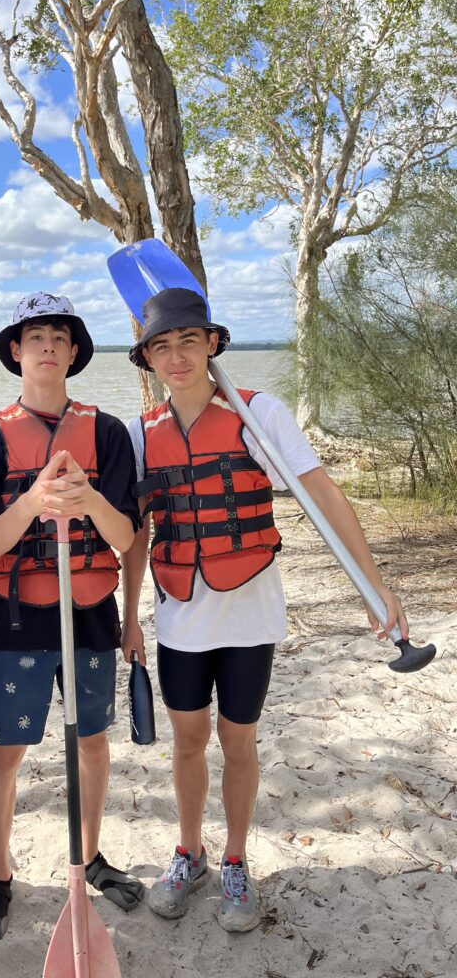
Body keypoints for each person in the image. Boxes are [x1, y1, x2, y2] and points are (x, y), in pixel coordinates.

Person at [120, 287, 408, 933]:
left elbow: (322, 494)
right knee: (187, 741)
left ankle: (235, 860)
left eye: (188, 341)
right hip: (181, 614)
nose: (176, 357)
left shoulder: (259, 414)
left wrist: (377, 585)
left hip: (250, 614)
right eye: (162, 346)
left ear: (212, 344)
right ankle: (188, 853)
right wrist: (130, 615)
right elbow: (136, 534)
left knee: (237, 740)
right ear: (148, 359)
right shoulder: (140, 434)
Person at [0, 293, 144, 941]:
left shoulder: (108, 433)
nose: (47, 345)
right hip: (19, 617)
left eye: (59, 337)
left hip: (91, 611)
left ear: (73, 353)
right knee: (5, 751)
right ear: (16, 350)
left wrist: (88, 498)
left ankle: (89, 855)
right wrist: (35, 499)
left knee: (92, 741)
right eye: (35, 335)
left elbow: (125, 538)